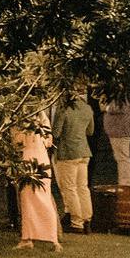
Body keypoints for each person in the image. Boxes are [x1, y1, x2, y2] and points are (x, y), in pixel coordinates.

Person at [13, 116, 61, 251]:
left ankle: (30, 238)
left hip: (30, 159)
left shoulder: (23, 120)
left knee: (30, 200)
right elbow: (48, 142)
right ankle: (48, 238)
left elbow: (18, 142)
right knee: (41, 199)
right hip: (41, 158)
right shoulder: (43, 120)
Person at [50, 94, 95, 234]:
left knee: (69, 188)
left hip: (67, 152)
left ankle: (76, 222)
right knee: (83, 187)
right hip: (84, 151)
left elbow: (56, 133)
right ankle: (87, 220)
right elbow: (90, 131)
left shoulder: (63, 109)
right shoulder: (87, 108)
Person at [101, 96, 130, 187]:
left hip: (120, 132)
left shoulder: (122, 98)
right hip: (116, 132)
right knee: (120, 158)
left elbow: (120, 108)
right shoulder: (118, 98)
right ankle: (124, 183)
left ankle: (125, 183)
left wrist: (106, 107)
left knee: (123, 158)